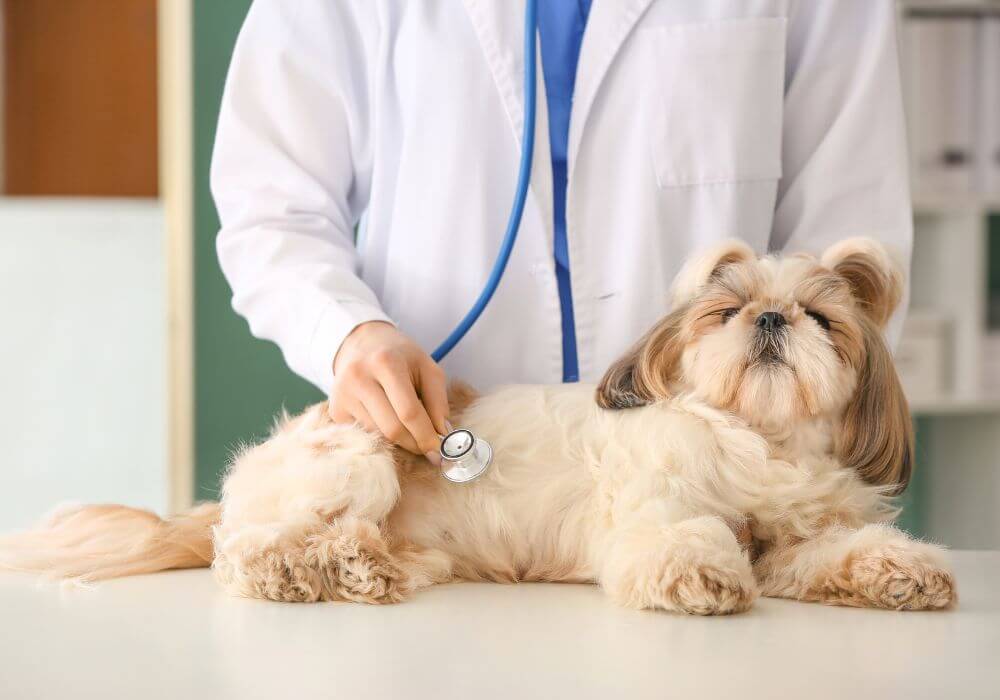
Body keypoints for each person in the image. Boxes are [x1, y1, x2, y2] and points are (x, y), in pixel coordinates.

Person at [213, 1, 912, 465]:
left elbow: (851, 242)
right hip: (442, 467)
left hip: (715, 483)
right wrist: (349, 334)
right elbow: (272, 201)